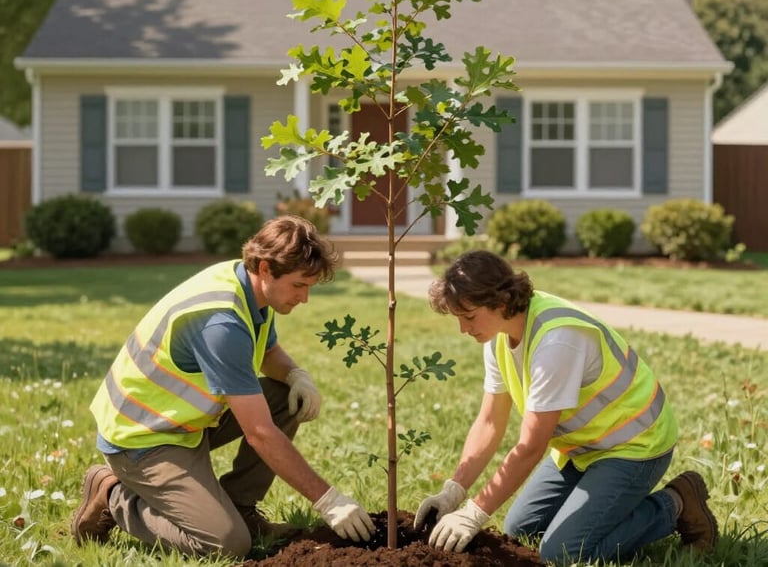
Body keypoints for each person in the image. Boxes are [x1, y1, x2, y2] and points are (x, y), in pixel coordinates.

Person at [71, 214, 375, 559]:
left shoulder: (249, 286)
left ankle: (240, 508)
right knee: (225, 544)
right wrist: (328, 499)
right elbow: (259, 432)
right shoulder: (220, 323)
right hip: (142, 438)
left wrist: (294, 374)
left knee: (285, 398)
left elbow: (268, 350)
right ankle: (113, 494)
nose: (305, 298)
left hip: (183, 423)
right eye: (299, 285)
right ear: (264, 268)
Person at [414, 250, 718, 564]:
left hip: (635, 446)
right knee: (520, 529)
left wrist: (475, 513)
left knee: (563, 553)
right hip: (581, 448)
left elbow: (531, 447)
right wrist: (455, 490)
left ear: (500, 303)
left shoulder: (557, 340)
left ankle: (677, 502)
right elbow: (490, 422)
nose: (463, 329)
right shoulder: (498, 335)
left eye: (469, 316)